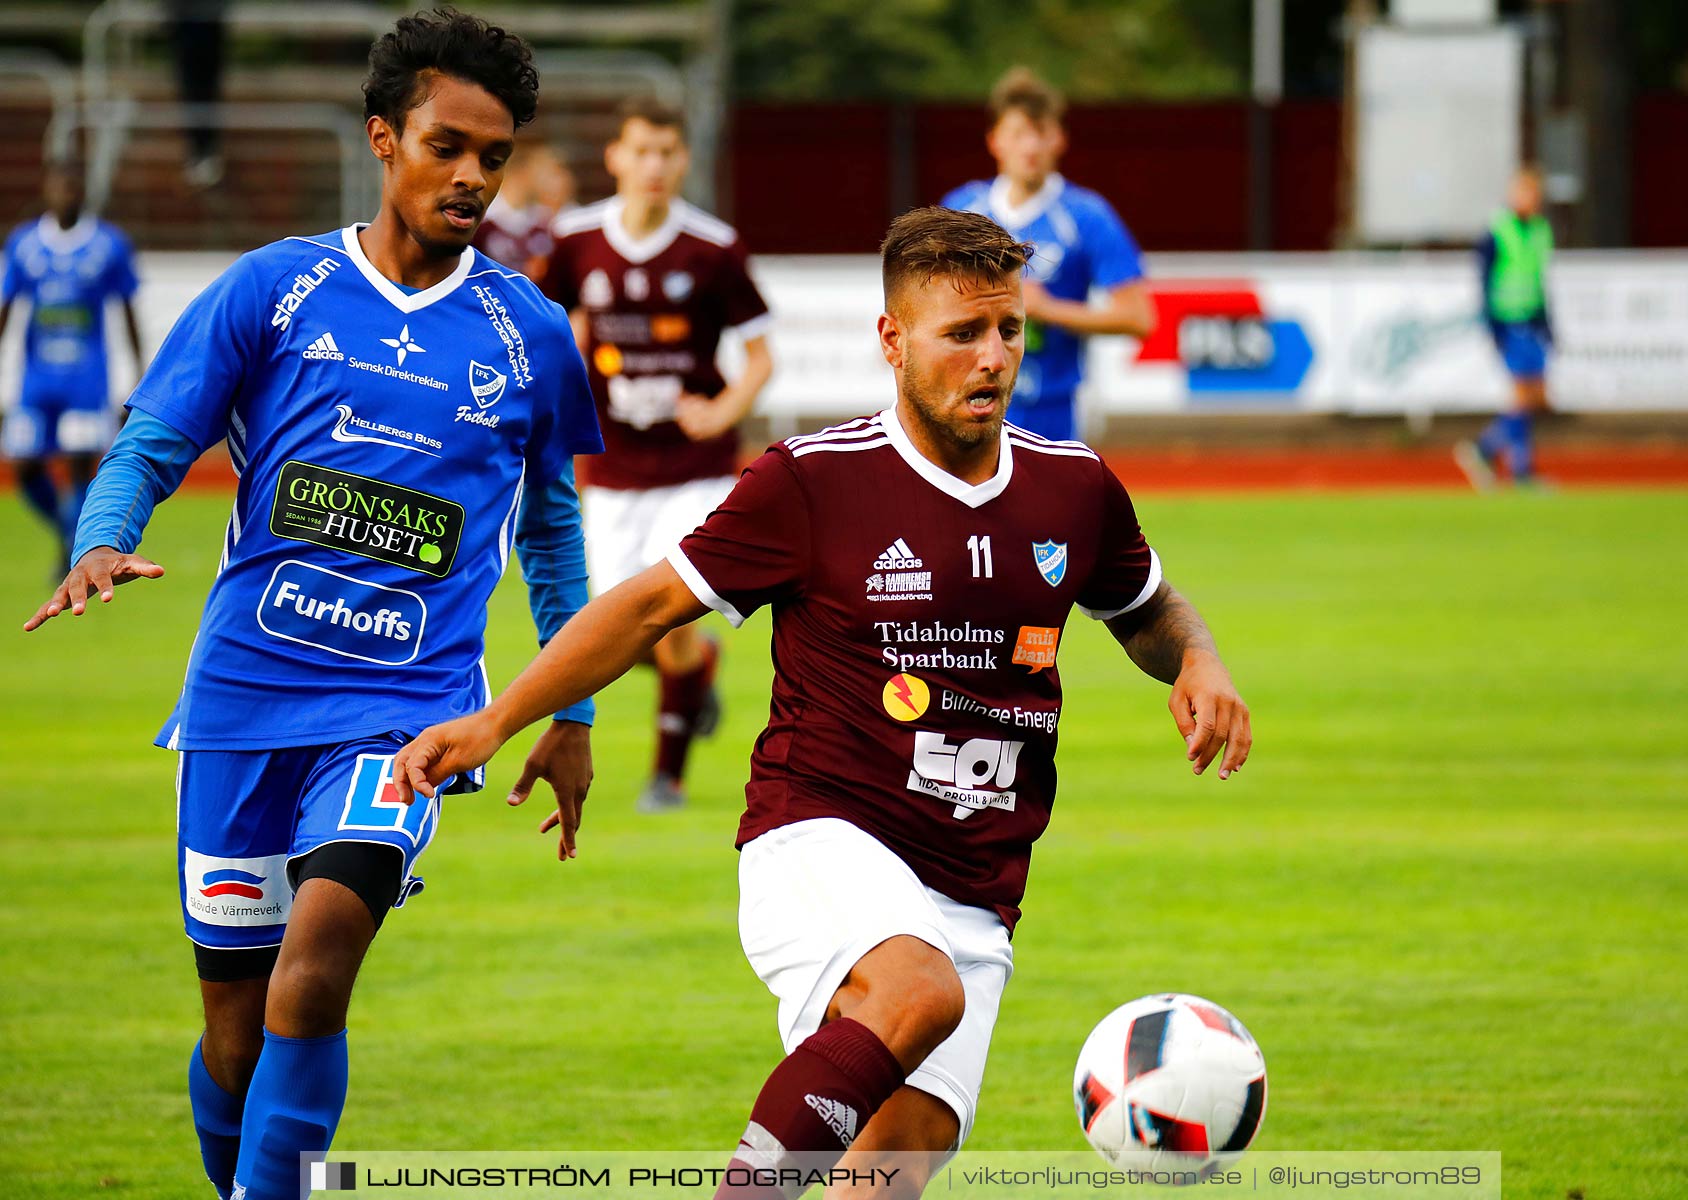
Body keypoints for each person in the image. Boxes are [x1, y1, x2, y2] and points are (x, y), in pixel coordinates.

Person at [390, 207, 1252, 1199]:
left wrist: (1200, 661)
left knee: (888, 1173)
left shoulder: (1074, 489)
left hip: (977, 883)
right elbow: (647, 607)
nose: (993, 358)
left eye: (1008, 331)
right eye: (962, 333)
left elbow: (1148, 609)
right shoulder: (813, 481)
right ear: (891, 341)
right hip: (823, 831)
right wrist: (501, 720)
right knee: (914, 991)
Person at [21, 12, 603, 1199]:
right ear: (385, 139)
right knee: (235, 1029)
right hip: (239, 708)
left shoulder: (531, 334)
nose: (474, 178)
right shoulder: (275, 290)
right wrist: (100, 540)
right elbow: (148, 442)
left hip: (406, 712)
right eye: (449, 146)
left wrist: (573, 712)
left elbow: (552, 531)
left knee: (314, 970)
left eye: (494, 157)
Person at [541, 96, 774, 813]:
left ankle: (666, 777)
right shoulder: (576, 240)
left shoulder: (713, 246)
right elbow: (550, 332)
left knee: (663, 612)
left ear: (683, 160)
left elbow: (760, 358)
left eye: (667, 152)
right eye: (640, 150)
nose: (654, 166)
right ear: (614, 156)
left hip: (692, 472)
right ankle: (697, 670)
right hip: (610, 469)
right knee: (613, 623)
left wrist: (721, 411)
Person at [943, 67, 1152, 443]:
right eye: (1018, 133)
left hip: (1054, 410)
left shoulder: (1087, 216)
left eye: (1040, 133)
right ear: (994, 141)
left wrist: (1046, 309)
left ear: (1059, 139)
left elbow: (1139, 317)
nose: (1031, 147)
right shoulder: (962, 210)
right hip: (968, 402)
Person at [1, 161, 143, 575]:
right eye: (58, 187)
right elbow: (9, 306)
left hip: (86, 378)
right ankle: (68, 533)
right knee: (25, 466)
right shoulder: (24, 243)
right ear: (47, 191)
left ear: (82, 193)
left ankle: (74, 550)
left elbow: (127, 309)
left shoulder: (109, 244)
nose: (65, 195)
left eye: (72, 188)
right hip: (37, 379)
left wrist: (138, 372)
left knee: (81, 462)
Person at [1456, 164, 1555, 490]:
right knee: (1522, 397)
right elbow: (1483, 281)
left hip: (1532, 320)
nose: (1530, 199)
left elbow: (1539, 279)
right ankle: (1519, 469)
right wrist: (1492, 325)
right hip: (1508, 321)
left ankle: (1487, 450)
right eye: (1525, 192)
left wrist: (1548, 323)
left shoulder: (1541, 230)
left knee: (1536, 397)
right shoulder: (1498, 230)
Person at [471, 144, 567, 283]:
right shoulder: (483, 218)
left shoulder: (544, 219)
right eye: (539, 175)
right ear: (520, 176)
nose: (545, 182)